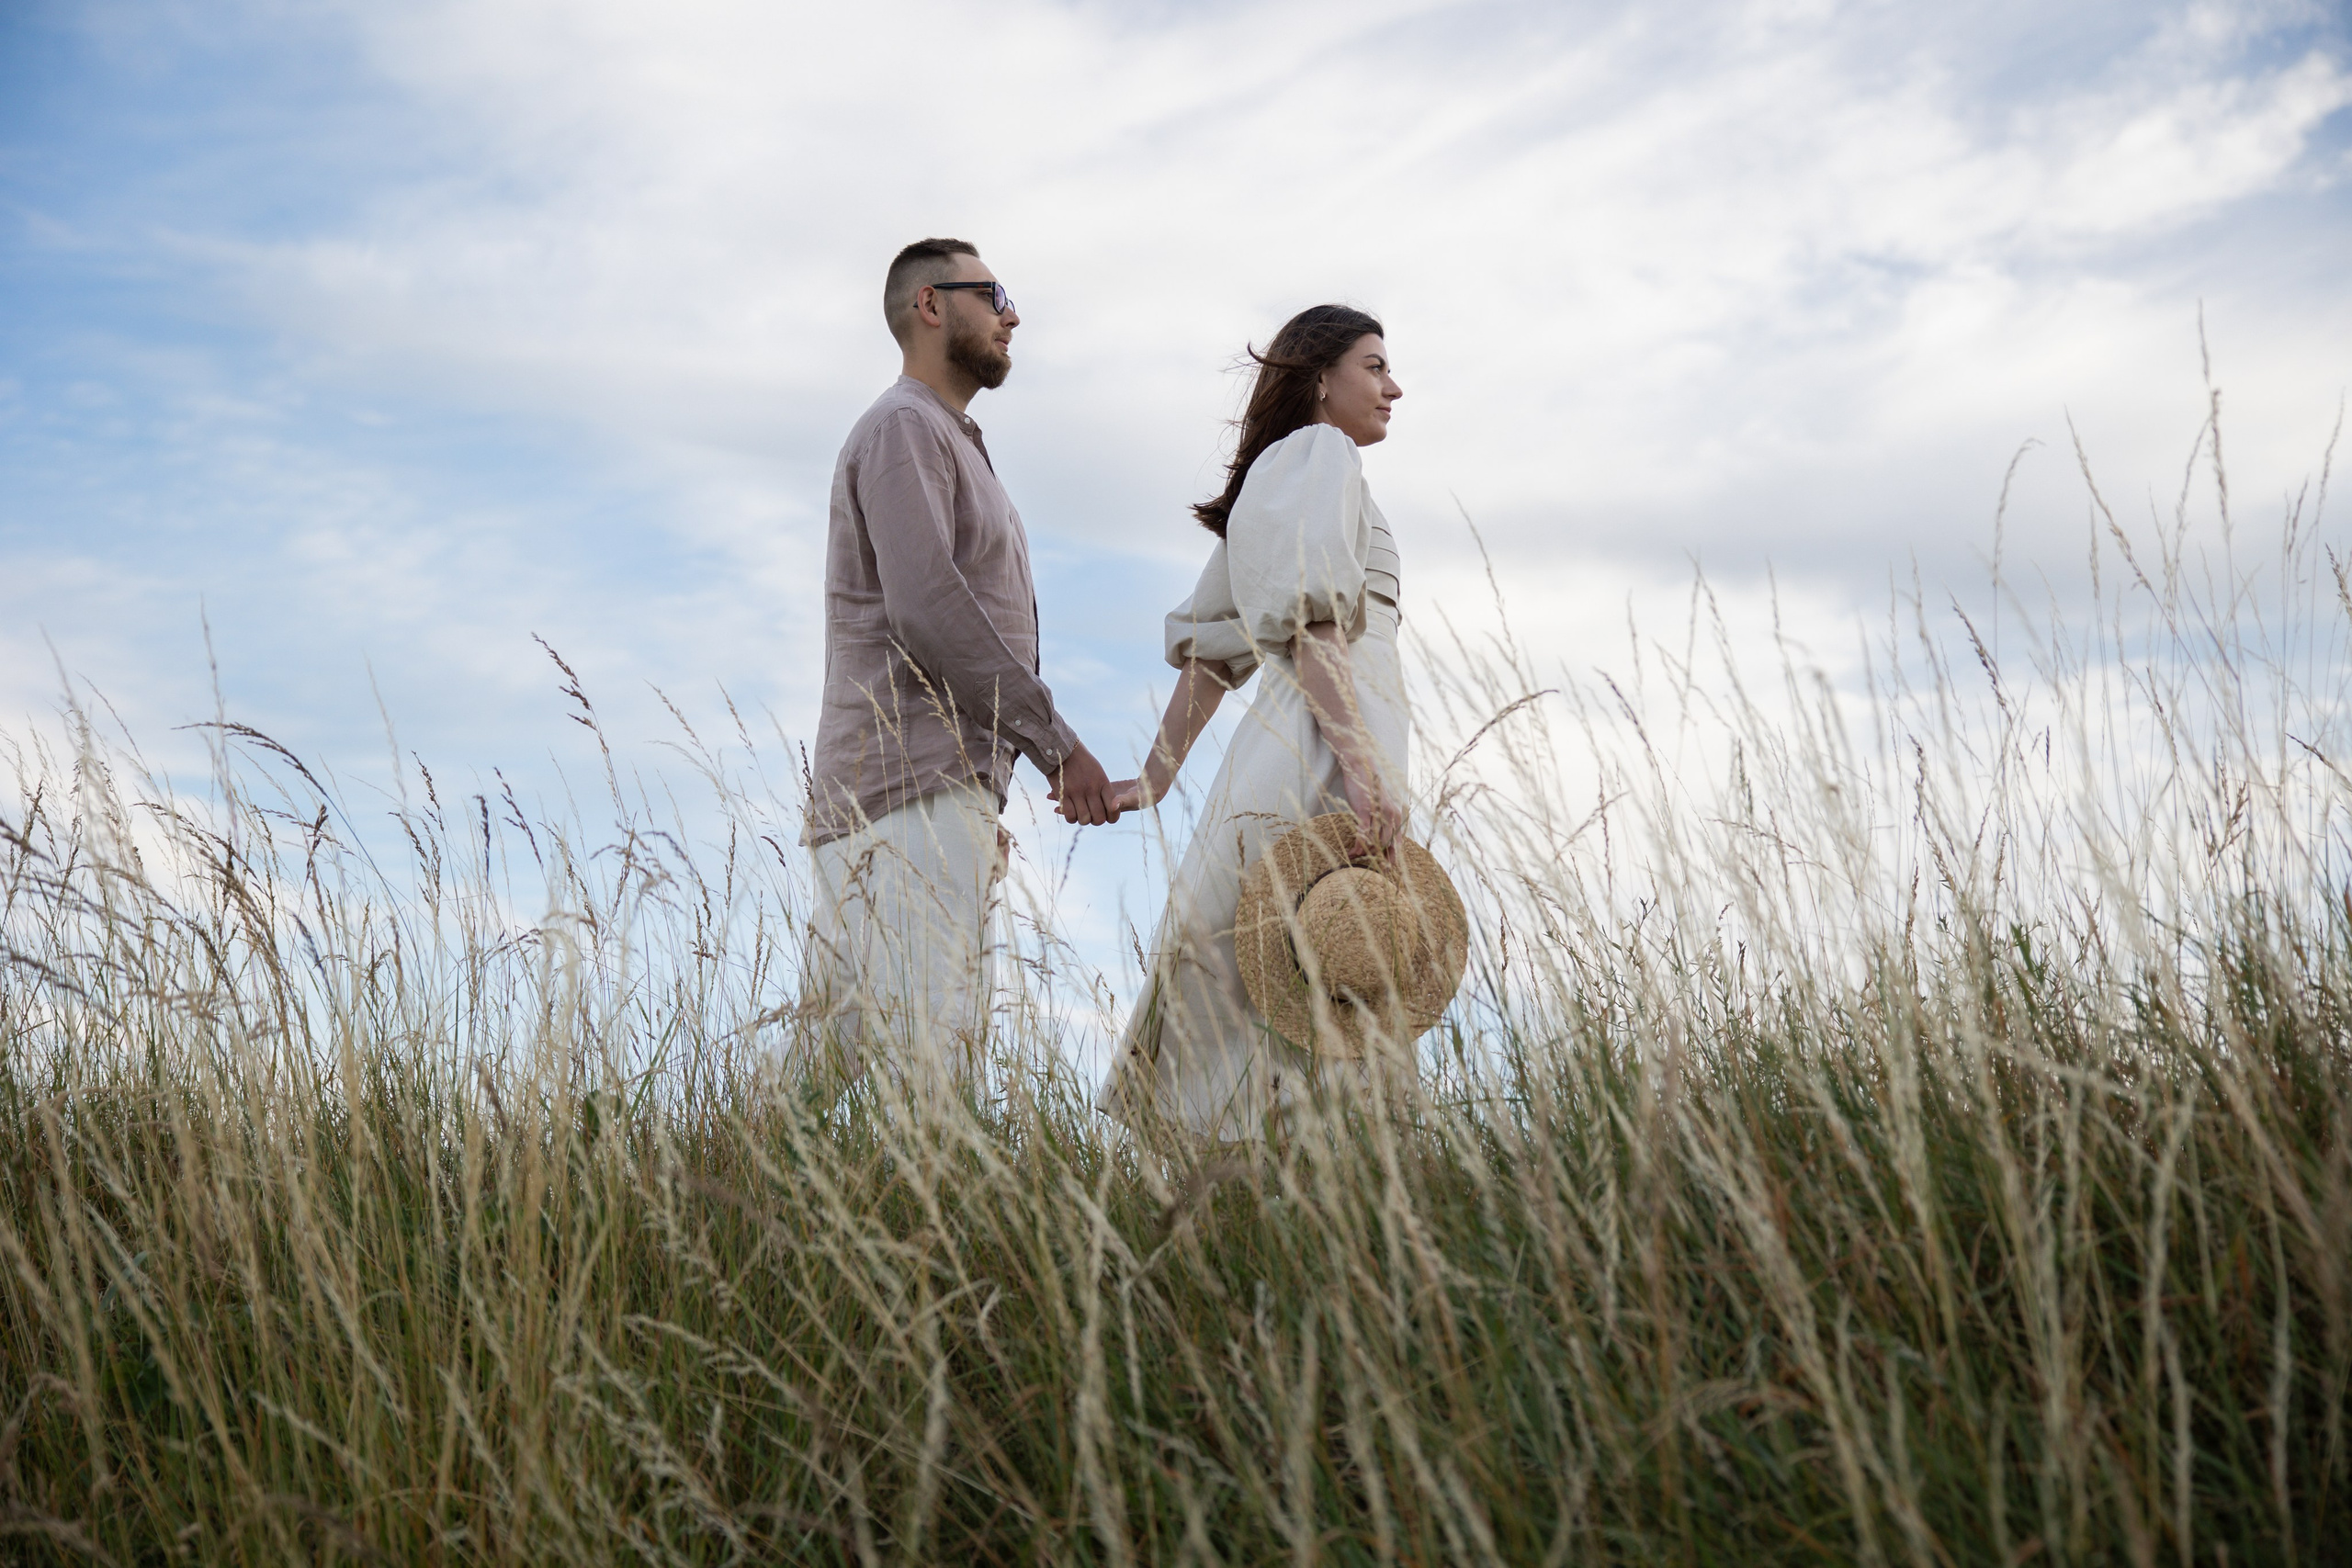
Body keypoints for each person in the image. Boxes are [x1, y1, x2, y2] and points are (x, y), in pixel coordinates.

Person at [801, 237, 1120, 1098]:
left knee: (817, 1075)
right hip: (908, 794)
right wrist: (1055, 745)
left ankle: (704, 1205)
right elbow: (929, 610)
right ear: (932, 305)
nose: (1013, 314)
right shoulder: (906, 428)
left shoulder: (943, 438)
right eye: (995, 293)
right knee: (934, 1073)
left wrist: (983, 784)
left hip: (925, 792)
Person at [1098, 304, 1408, 1142]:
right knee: (1314, 976)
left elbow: (1210, 650)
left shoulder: (1286, 475)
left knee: (1282, 980)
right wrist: (1362, 764)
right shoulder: (1320, 453)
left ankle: (1249, 1191)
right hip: (1321, 740)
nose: (1394, 386)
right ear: (1320, 379)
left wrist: (1154, 780)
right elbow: (1306, 628)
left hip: (1303, 736)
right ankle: (1294, 1188)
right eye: (1374, 366)